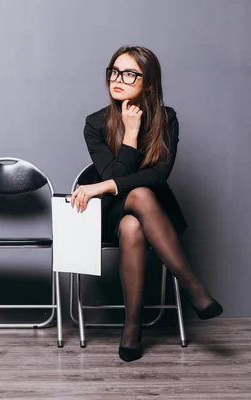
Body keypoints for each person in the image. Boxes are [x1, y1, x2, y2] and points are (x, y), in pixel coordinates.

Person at [70, 45, 223, 362]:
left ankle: (131, 329)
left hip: (156, 217)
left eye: (129, 74)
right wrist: (130, 133)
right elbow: (114, 174)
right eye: (114, 71)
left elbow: (159, 176)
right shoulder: (95, 123)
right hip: (109, 214)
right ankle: (195, 288)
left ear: (149, 83)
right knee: (131, 205)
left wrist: (104, 184)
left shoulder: (166, 119)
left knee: (134, 223)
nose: (118, 79)